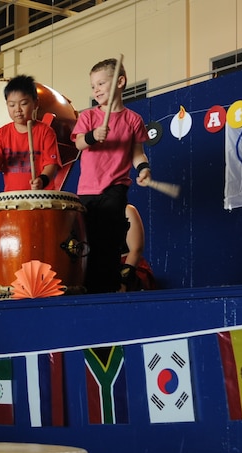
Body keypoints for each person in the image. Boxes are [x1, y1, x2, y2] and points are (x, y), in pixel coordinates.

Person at [72, 58, 152, 293]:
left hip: (115, 187)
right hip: (87, 190)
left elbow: (138, 154)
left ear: (120, 82)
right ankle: (88, 286)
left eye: (101, 84)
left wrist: (144, 169)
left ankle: (108, 287)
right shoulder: (88, 117)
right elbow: (78, 143)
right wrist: (93, 136)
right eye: (93, 86)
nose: (96, 90)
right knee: (88, 241)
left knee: (109, 238)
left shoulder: (133, 120)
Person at [0, 75, 61, 192]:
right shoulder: (1, 134)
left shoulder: (45, 132)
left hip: (41, 196)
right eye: (12, 105)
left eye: (23, 103)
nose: (17, 109)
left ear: (35, 103)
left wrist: (42, 180)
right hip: (13, 198)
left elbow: (51, 165)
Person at [121, 204, 157, 291]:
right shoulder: (86, 211)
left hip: (127, 269)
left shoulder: (127, 210)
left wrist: (123, 280)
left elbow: (136, 249)